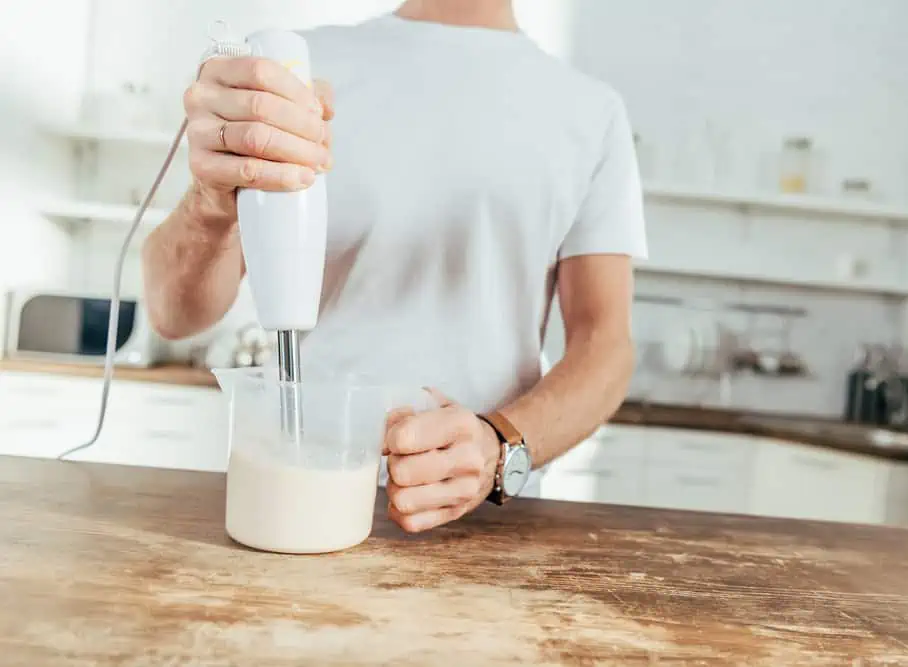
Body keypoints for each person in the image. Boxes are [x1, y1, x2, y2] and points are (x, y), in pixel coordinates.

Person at [141, 0, 647, 533]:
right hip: (298, 492)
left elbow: (605, 344)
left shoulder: (591, 113)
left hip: (488, 521)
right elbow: (174, 314)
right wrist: (212, 199)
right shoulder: (296, 72)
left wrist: (499, 446)